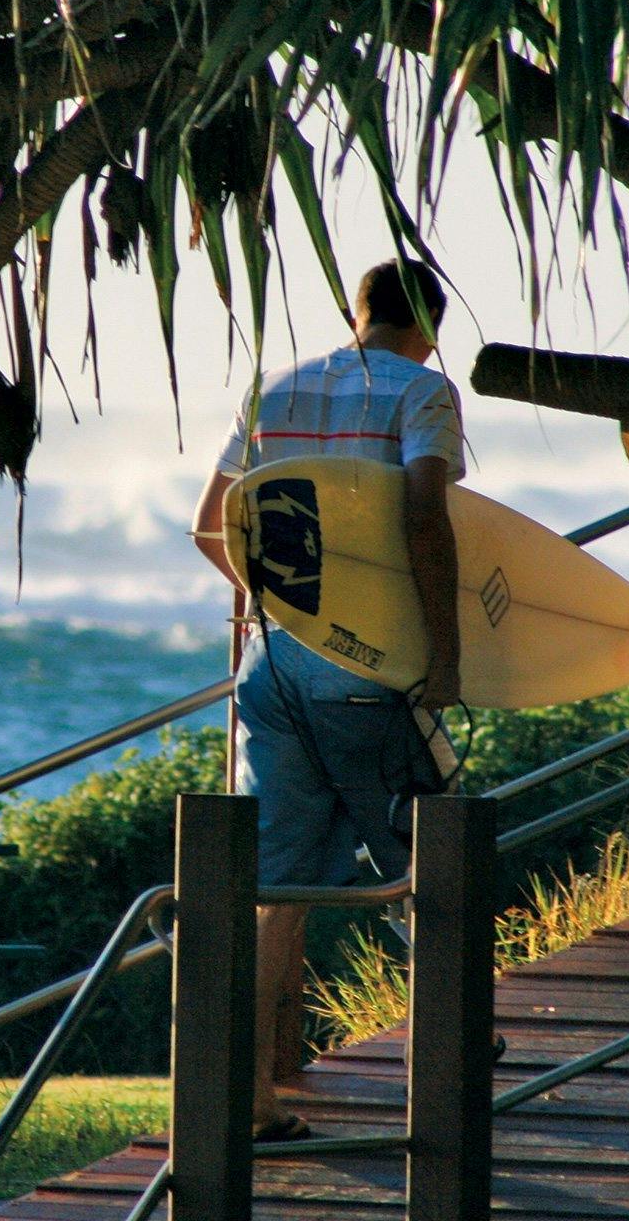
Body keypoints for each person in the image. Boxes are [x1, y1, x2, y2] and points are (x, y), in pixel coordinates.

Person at [191, 258, 465, 1142]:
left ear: (357, 314)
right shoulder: (422, 394)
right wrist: (446, 653)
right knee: (429, 863)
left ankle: (253, 1093)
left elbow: (211, 525)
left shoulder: (276, 390)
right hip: (366, 670)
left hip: (271, 667)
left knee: (277, 886)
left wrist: (284, 598)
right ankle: (466, 1050)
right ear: (433, 323)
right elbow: (425, 517)